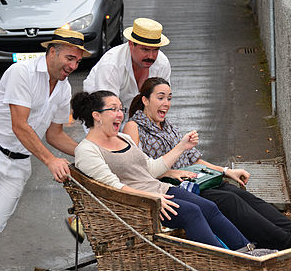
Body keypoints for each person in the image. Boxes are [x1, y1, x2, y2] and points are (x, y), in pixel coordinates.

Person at [122, 78, 291, 250]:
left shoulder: (168, 126)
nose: (166, 103)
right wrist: (171, 171)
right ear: (145, 100)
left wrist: (226, 171)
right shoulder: (134, 127)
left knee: (245, 196)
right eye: (160, 98)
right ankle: (286, 241)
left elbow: (196, 160)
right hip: (179, 189)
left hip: (200, 180)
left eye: (169, 98)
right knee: (230, 201)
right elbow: (137, 170)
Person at [72, 90, 258, 252]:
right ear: (97, 116)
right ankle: (227, 263)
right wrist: (151, 199)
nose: (120, 114)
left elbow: (151, 169)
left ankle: (246, 251)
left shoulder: (123, 138)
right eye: (113, 109)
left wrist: (182, 146)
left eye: (121, 109)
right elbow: (112, 188)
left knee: (209, 207)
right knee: (191, 212)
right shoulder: (87, 150)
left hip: (158, 190)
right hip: (136, 205)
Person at [0, 29, 91, 235]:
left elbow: (54, 134)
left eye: (77, 61)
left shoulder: (64, 87)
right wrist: (51, 160)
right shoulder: (22, 72)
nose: (73, 66)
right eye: (69, 58)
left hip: (19, 160)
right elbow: (19, 125)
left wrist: (88, 153)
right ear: (52, 52)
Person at [83, 18, 171, 118]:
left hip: (134, 111)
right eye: (145, 50)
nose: (151, 56)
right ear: (131, 44)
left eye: (155, 50)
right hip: (98, 111)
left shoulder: (162, 63)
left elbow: (161, 103)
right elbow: (107, 110)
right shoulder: (111, 64)